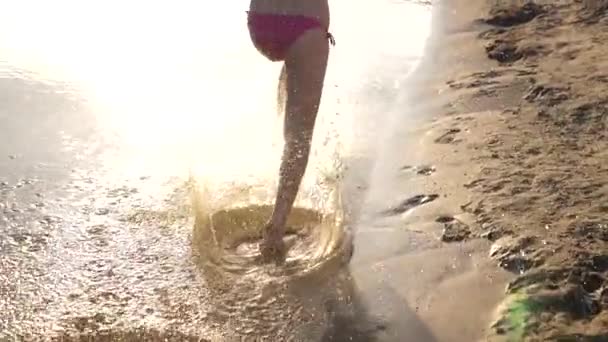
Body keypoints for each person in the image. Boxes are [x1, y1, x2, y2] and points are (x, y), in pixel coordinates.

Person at [247, 0, 334, 261]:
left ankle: (291, 77)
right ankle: (275, 231)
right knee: (299, 136)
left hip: (260, 23)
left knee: (296, 67)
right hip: (306, 26)